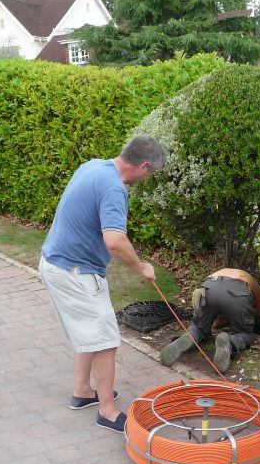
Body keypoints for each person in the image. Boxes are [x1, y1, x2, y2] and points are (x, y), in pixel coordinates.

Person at [38, 135, 166, 433]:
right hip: (74, 272)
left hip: (57, 263)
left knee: (90, 333)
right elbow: (114, 240)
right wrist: (141, 267)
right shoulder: (114, 188)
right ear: (143, 165)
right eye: (150, 173)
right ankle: (108, 411)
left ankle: (83, 392)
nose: (147, 179)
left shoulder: (94, 166)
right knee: (106, 340)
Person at [159, 268, 260, 372]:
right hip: (236, 292)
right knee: (245, 333)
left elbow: (214, 319)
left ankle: (187, 337)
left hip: (208, 287)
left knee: (199, 328)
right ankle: (231, 343)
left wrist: (208, 327)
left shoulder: (219, 273)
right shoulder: (250, 281)